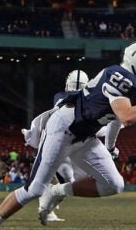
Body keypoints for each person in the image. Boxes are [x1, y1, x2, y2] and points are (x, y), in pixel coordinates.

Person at [0, 40, 136, 229]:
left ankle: (58, 191)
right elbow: (127, 116)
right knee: (34, 190)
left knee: (114, 184)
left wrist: (110, 147)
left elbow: (116, 120)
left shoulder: (134, 84)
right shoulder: (120, 78)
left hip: (86, 135)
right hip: (63, 129)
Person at [23, 69, 91, 223]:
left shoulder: (79, 99)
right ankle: (46, 209)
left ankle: (47, 208)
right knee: (59, 181)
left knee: (67, 181)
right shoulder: (62, 97)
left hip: (68, 145)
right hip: (56, 144)